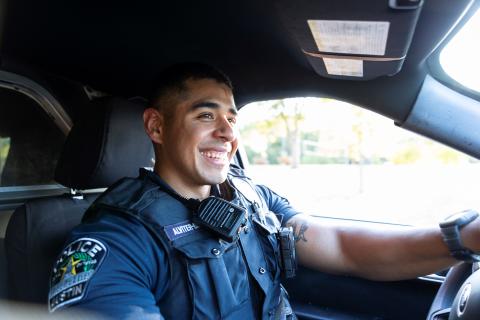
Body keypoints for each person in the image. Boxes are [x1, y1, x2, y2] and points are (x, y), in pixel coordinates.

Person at [48, 63, 480, 319]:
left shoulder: (251, 199)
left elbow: (343, 247)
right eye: (205, 116)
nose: (227, 133)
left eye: (232, 119)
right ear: (156, 127)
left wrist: (461, 239)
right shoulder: (116, 241)